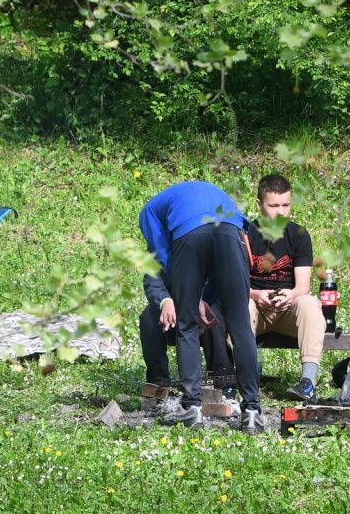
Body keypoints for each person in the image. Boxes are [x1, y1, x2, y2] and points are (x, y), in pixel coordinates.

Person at [138, 179, 265, 430]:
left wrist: (190, 297)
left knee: (186, 326)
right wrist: (200, 299)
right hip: (232, 232)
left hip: (191, 235)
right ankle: (252, 411)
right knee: (241, 327)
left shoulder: (149, 211)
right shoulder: (215, 196)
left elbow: (161, 255)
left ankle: (191, 408)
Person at [246, 171, 326, 402]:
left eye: (286, 205)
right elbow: (235, 284)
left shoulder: (298, 235)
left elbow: (303, 286)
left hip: (287, 309)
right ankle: (249, 373)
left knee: (309, 303)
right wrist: (256, 294)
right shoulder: (246, 234)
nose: (281, 212)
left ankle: (307, 382)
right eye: (274, 206)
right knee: (241, 305)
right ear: (259, 204)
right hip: (256, 307)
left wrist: (291, 295)